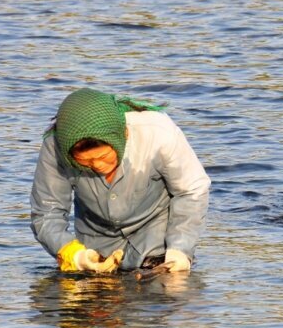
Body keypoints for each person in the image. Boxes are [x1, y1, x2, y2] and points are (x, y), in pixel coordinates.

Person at [31, 87, 211, 273]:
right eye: (86, 162)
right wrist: (76, 256)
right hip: (95, 244)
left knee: (169, 293)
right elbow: (46, 214)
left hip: (157, 237)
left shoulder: (158, 133)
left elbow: (191, 190)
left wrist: (180, 250)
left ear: (123, 136)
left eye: (104, 157)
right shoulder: (55, 147)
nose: (98, 166)